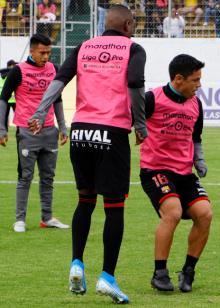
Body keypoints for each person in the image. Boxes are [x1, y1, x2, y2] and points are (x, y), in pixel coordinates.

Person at [28, 5, 147, 304]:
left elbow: (60, 78)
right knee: (114, 207)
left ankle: (76, 263)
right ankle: (107, 276)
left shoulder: (84, 46)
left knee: (85, 200)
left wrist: (41, 112)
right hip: (112, 132)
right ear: (128, 24)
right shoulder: (133, 49)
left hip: (81, 132)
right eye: (134, 24)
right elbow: (134, 84)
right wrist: (141, 124)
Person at [140, 54, 212, 292]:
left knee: (205, 214)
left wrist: (199, 161)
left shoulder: (196, 104)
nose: (199, 85)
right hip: (155, 169)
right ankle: (159, 273)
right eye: (195, 80)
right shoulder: (151, 99)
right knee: (173, 211)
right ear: (178, 79)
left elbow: (196, 137)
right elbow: (129, 123)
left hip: (184, 172)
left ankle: (188, 271)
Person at [0, 34, 68, 233]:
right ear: (32, 51)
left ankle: (47, 217)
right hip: (27, 132)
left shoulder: (54, 69)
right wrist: (2, 129)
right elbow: (3, 99)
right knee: (25, 176)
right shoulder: (18, 71)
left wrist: (62, 127)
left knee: (48, 177)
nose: (46, 56)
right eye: (42, 52)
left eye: (49, 52)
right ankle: (20, 219)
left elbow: (58, 99)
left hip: (49, 131)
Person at [0, 60, 17, 128]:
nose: (15, 66)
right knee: (4, 117)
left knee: (18, 117)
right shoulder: (4, 74)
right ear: (10, 66)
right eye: (14, 65)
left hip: (14, 100)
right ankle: (4, 132)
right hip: (6, 100)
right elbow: (3, 75)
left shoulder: (14, 73)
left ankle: (20, 131)